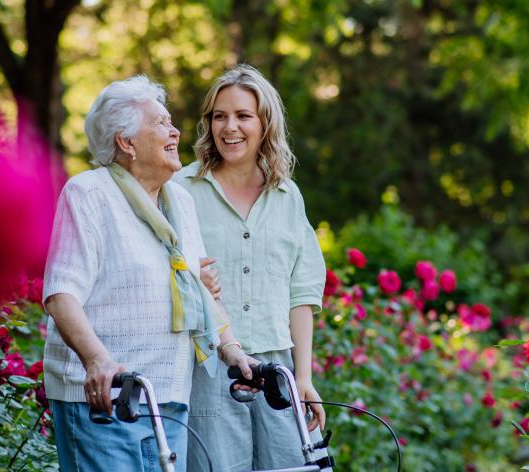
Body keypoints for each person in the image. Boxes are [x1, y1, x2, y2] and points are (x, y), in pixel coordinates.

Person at [42, 75, 256, 472]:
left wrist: (233, 351)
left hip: (169, 395)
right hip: (107, 398)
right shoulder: (89, 194)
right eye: (160, 123)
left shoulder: (181, 202)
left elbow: (197, 290)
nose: (175, 130)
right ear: (126, 141)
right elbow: (61, 293)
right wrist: (97, 360)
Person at [175, 65, 328, 471]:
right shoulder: (179, 191)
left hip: (278, 371)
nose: (230, 127)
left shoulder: (287, 196)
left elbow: (302, 293)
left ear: (264, 123)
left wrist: (305, 378)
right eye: (219, 116)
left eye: (243, 116)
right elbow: (164, 273)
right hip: (208, 370)